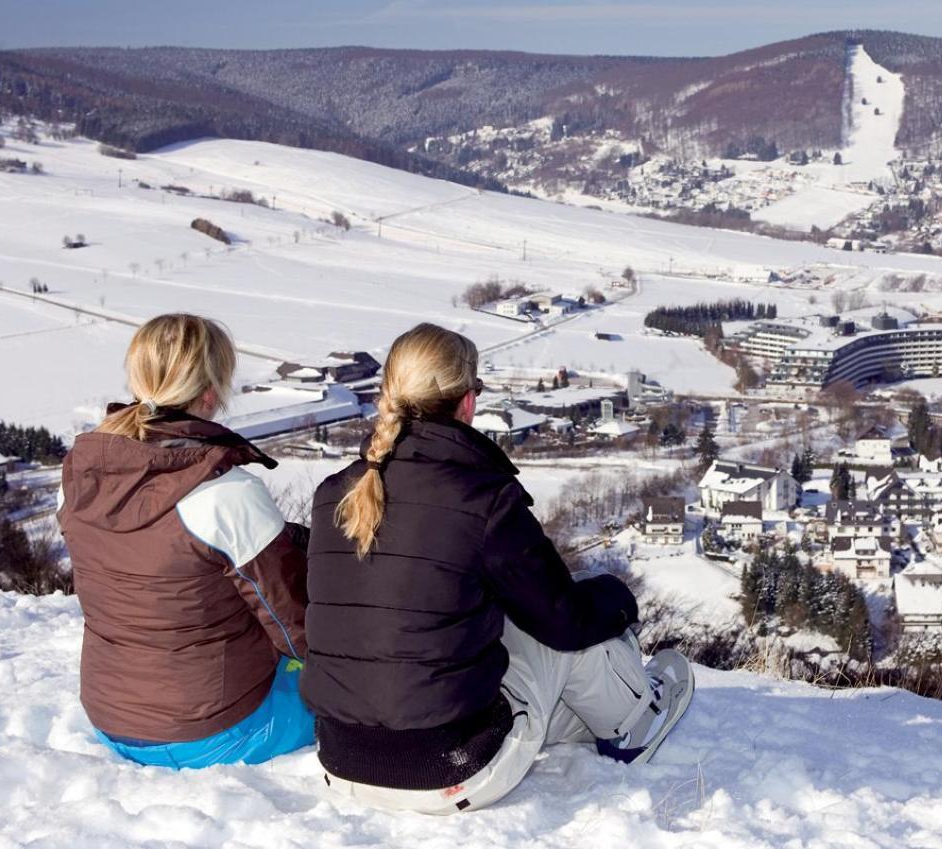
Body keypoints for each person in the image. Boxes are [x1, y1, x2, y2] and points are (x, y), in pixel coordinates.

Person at [304, 323, 693, 814]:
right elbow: (565, 621)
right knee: (553, 625)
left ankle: (575, 717)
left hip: (342, 761)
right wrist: (618, 598)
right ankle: (637, 723)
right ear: (467, 401)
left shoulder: (331, 494)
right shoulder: (482, 501)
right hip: (449, 767)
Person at [57, 313, 312, 769]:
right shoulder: (226, 493)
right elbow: (298, 633)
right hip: (219, 730)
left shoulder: (82, 477)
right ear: (212, 391)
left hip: (110, 716)